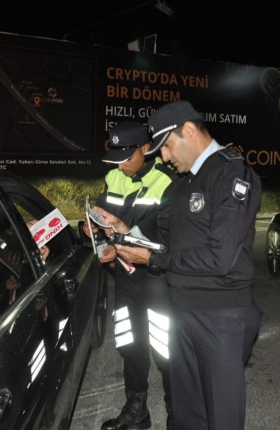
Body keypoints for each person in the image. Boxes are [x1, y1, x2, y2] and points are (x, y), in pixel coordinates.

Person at [108, 101, 262, 430]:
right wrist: (127, 239)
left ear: (189, 131)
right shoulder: (183, 183)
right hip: (181, 311)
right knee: (187, 414)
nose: (163, 157)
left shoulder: (231, 172)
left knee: (221, 417)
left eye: (166, 146)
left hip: (220, 318)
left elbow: (219, 257)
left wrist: (152, 258)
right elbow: (168, 239)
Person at [85, 120, 177, 430]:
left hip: (156, 281)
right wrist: (93, 231)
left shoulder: (167, 181)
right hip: (124, 279)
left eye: (127, 158)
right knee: (129, 344)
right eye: (115, 158)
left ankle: (177, 412)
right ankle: (137, 411)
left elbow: (169, 243)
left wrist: (124, 236)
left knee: (166, 350)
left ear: (146, 148)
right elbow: (102, 219)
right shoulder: (113, 177)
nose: (120, 166)